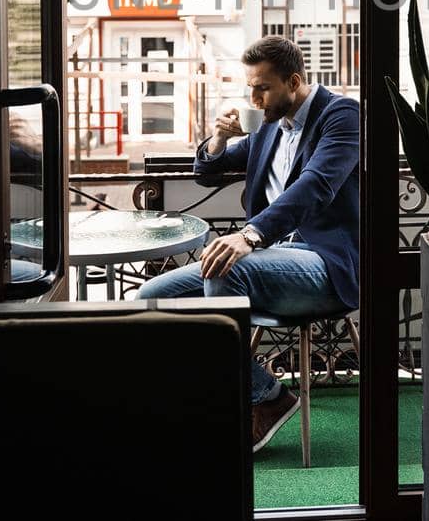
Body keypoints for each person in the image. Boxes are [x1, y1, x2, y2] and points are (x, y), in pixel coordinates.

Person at [137, 35, 361, 453]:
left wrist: (250, 235)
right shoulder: (268, 124)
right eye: (250, 87)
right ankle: (262, 391)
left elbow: (317, 185)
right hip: (273, 257)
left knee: (229, 266)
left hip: (325, 262)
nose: (253, 96)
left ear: (293, 81)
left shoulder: (342, 114)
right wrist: (220, 138)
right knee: (151, 297)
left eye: (262, 87)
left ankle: (260, 401)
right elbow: (208, 169)